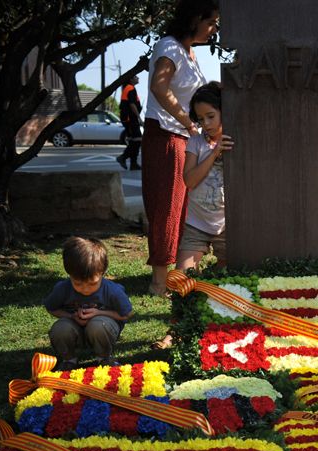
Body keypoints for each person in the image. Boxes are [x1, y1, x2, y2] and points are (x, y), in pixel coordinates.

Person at [142, 0, 219, 296]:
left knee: (183, 210)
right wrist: (189, 123)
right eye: (211, 22)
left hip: (182, 138)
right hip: (165, 136)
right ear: (195, 18)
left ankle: (178, 274)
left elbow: (195, 92)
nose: (213, 29)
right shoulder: (170, 46)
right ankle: (158, 283)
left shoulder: (191, 54)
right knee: (167, 210)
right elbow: (159, 87)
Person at [44, 237, 133, 370]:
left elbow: (127, 314)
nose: (85, 288)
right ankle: (69, 360)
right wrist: (72, 316)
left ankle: (105, 358)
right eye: (78, 283)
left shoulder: (112, 291)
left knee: (98, 325)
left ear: (102, 272)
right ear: (69, 274)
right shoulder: (63, 288)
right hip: (75, 327)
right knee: (60, 328)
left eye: (92, 283)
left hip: (103, 329)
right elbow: (51, 308)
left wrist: (99, 313)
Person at [176, 81, 233, 271]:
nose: (205, 124)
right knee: (181, 279)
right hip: (197, 224)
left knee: (230, 274)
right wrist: (214, 153)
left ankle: (213, 272)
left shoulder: (233, 140)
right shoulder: (196, 142)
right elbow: (189, 180)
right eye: (200, 119)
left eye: (211, 116)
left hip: (227, 225)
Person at [116, 74, 143, 171]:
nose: (138, 78)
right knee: (138, 139)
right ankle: (123, 157)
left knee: (134, 140)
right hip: (130, 119)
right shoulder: (130, 88)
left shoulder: (129, 88)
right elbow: (132, 104)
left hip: (130, 119)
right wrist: (139, 117)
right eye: (136, 77)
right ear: (131, 79)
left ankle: (133, 164)